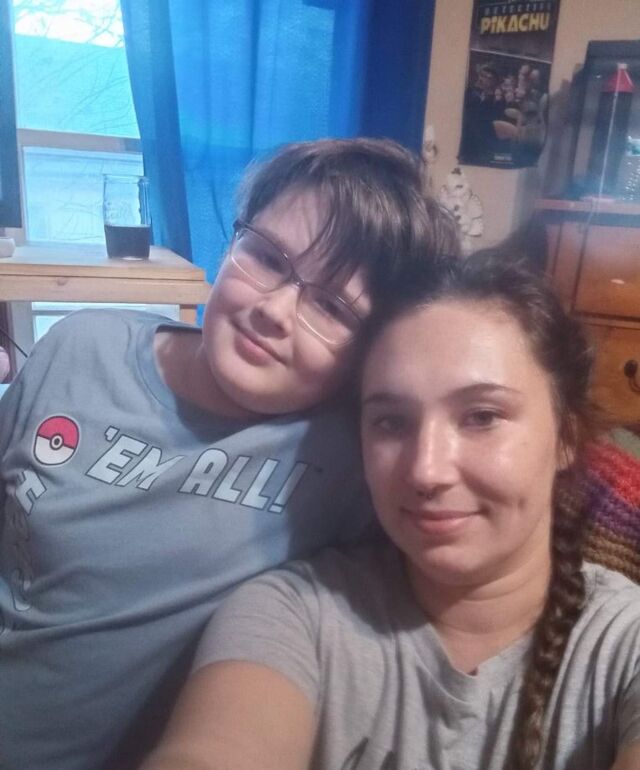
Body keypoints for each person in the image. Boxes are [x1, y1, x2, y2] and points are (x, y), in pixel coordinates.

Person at [0, 138, 460, 770]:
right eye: (266, 257)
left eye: (331, 307)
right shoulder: (79, 347)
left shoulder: (355, 460)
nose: (273, 310)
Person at [144, 252, 640, 770]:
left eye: (481, 416)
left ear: (565, 437)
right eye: (391, 423)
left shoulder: (623, 644)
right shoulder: (293, 616)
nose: (426, 471)